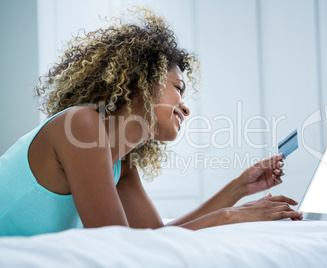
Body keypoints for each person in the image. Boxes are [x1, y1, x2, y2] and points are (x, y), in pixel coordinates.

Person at [0, 8, 302, 236]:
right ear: (140, 82)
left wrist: (238, 189)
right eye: (177, 89)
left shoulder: (121, 165)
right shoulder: (81, 125)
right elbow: (117, 247)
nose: (185, 107)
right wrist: (232, 217)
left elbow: (154, 238)